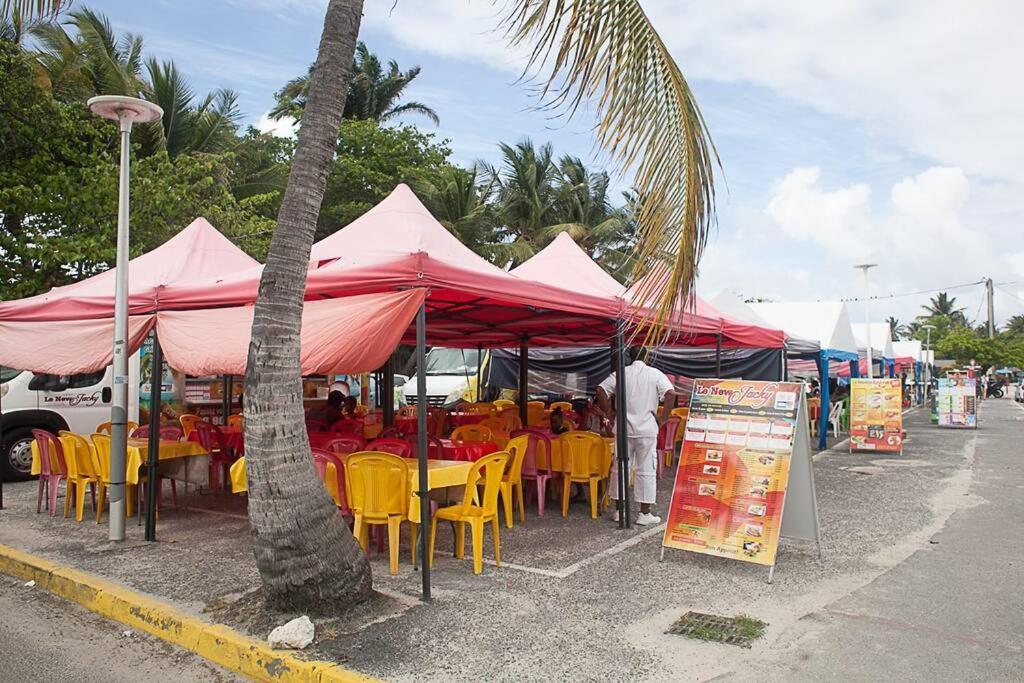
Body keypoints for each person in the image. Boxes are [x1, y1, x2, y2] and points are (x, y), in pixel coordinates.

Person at [596, 347, 676, 526]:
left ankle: (619, 511)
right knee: (646, 469)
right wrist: (663, 419)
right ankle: (644, 514)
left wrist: (609, 412)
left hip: (623, 429)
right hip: (646, 429)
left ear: (629, 357)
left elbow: (600, 389)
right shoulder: (655, 374)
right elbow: (671, 394)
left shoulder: (620, 374)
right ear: (646, 356)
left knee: (619, 467)